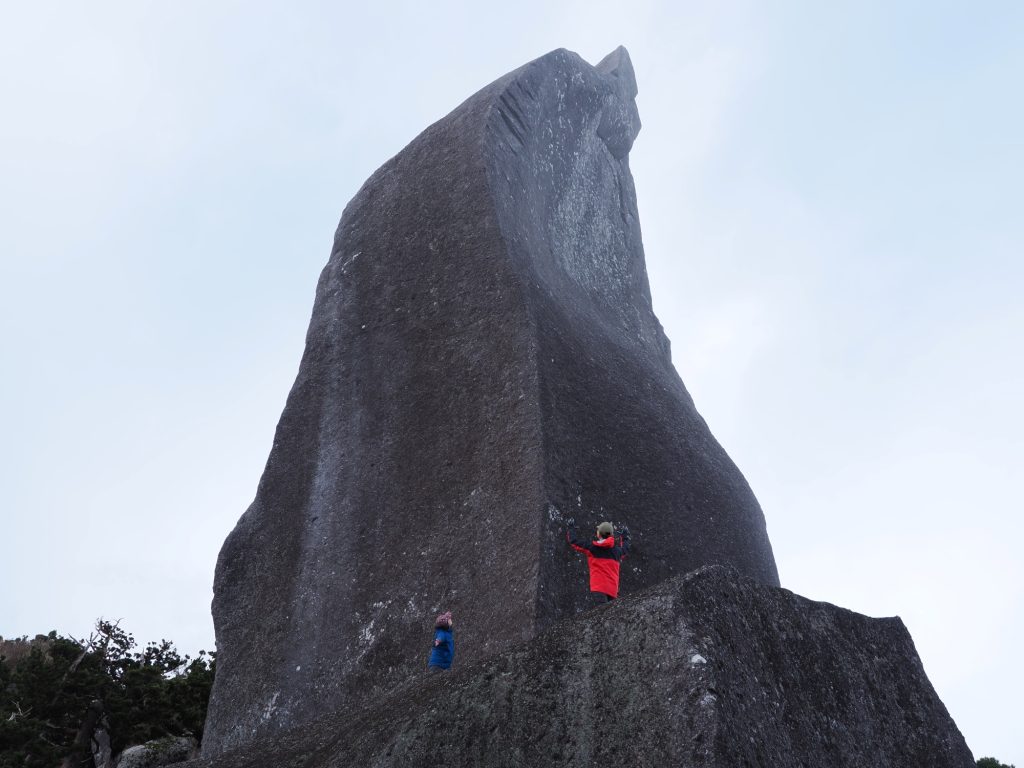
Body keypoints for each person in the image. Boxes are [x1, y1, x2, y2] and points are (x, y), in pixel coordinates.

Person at [567, 521, 631, 603]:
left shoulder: (592, 548)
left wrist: (571, 528)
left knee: (601, 613)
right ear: (611, 535)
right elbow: (625, 549)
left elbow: (574, 542)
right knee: (611, 614)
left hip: (598, 588)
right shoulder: (617, 552)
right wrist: (624, 536)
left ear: (599, 534)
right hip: (612, 590)